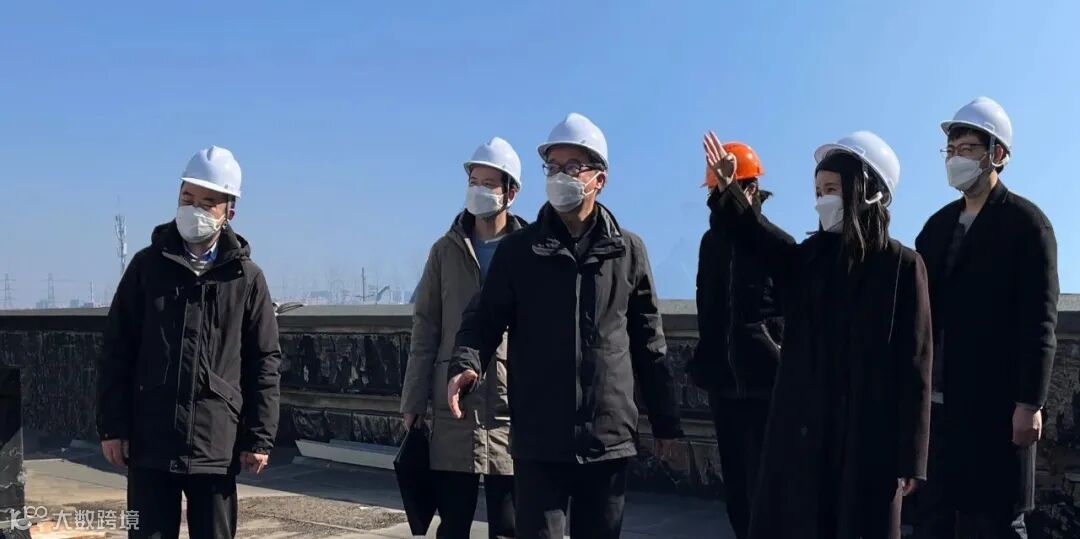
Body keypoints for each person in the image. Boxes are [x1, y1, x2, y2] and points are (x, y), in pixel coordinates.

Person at [447, 113, 684, 539]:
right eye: (552, 167)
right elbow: (483, 319)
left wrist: (665, 420)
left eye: (572, 167)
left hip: (607, 437)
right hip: (540, 437)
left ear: (599, 179)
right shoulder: (519, 251)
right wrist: (466, 363)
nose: (559, 177)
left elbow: (649, 342)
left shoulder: (628, 251)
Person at [703, 130, 932, 539]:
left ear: (866, 191)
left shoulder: (902, 266)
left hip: (867, 439)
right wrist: (729, 190)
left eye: (832, 189)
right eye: (818, 190)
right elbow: (757, 236)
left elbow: (915, 364)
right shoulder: (808, 260)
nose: (822, 200)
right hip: (805, 435)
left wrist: (911, 458)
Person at [96, 146, 281, 539]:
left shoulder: (245, 278)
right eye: (187, 198)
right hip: (151, 440)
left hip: (215, 444)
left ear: (229, 211)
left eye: (208, 202)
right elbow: (116, 349)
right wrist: (112, 426)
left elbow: (263, 361)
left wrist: (259, 437)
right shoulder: (146, 267)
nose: (194, 209)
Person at [913, 97, 1058, 539]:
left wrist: (1029, 403)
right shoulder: (936, 228)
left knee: (994, 519)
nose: (956, 158)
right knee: (932, 520)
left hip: (996, 404)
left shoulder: (1027, 225)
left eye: (968, 149)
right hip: (939, 405)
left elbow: (1039, 320)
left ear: (997, 154)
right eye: (951, 150)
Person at [400, 136, 526, 539]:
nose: (478, 191)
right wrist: (413, 401)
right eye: (474, 181)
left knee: (510, 525)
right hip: (453, 408)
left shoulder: (529, 249)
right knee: (453, 524)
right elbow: (426, 328)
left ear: (510, 192)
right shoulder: (444, 251)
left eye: (488, 183)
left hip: (511, 408)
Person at [688, 141, 789, 539]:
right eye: (715, 189)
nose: (719, 196)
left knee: (770, 487)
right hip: (723, 385)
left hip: (767, 383)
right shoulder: (710, 243)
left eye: (728, 187)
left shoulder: (770, 241)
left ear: (752, 188)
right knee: (737, 490)